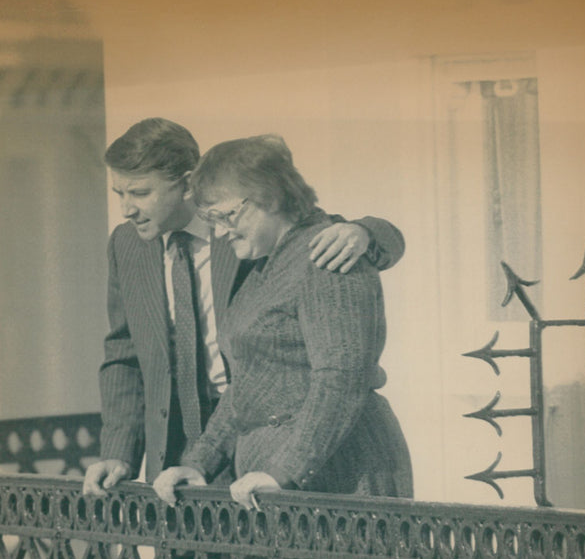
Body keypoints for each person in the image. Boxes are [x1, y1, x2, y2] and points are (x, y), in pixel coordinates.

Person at [82, 118, 407, 497]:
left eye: (139, 192)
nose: (125, 208)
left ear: (187, 184)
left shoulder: (266, 240)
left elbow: (340, 369)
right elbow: (125, 354)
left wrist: (366, 232)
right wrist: (131, 453)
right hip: (189, 450)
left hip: (300, 461)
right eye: (118, 193)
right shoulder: (129, 245)